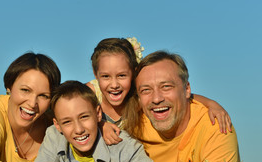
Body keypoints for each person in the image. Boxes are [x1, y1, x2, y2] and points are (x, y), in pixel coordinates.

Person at [121, 50, 240, 162]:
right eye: (146, 90)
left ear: (187, 89)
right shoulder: (132, 126)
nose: (156, 98)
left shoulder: (215, 126)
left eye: (166, 87)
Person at [87, 37, 232, 145]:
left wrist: (212, 104)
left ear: (134, 73)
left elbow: (183, 94)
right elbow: (67, 110)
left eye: (122, 76)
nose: (114, 84)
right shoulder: (90, 93)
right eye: (105, 76)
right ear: (96, 74)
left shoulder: (137, 98)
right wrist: (100, 124)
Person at [31, 80, 153, 162]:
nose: (79, 130)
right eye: (67, 122)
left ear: (98, 113)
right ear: (57, 125)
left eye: (84, 117)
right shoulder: (54, 135)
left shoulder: (120, 142)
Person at [0, 52, 61, 162]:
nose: (32, 103)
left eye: (43, 96)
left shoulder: (56, 122)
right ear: (9, 86)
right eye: (25, 90)